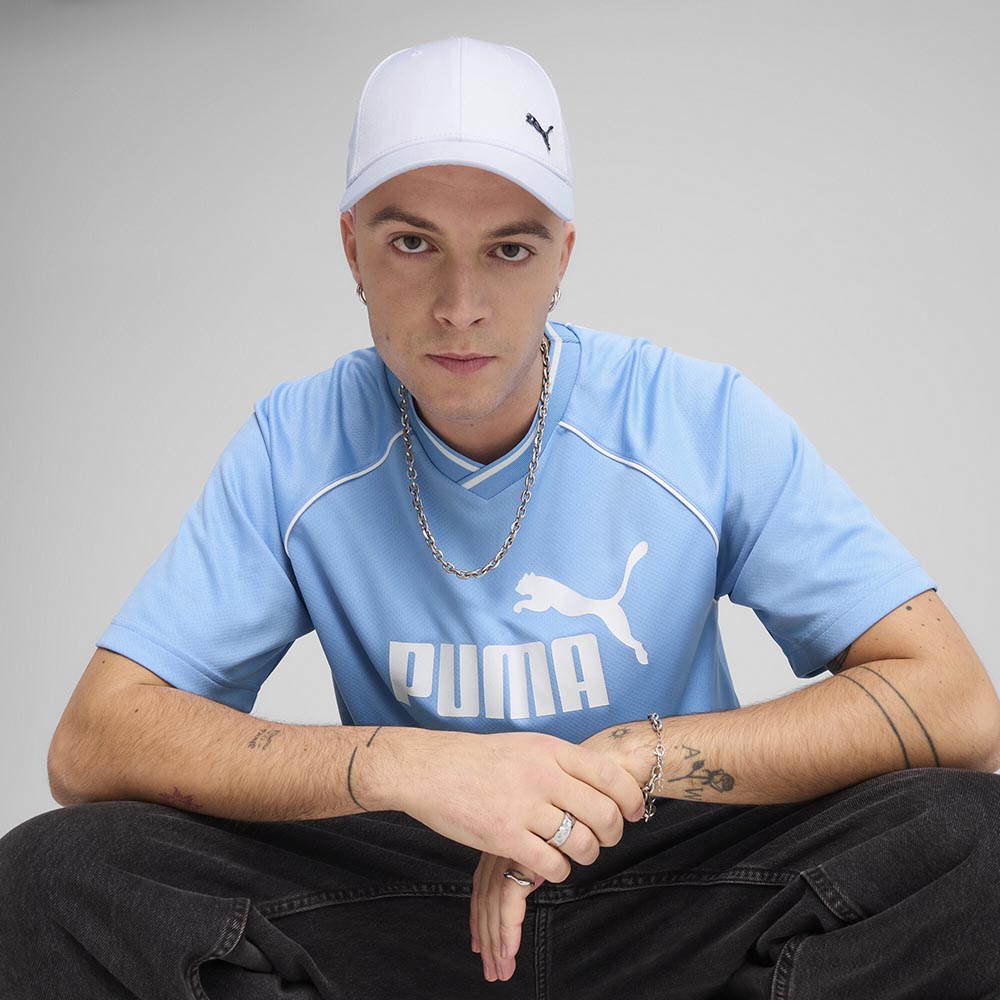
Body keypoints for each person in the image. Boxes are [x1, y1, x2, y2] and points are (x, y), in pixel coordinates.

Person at [2, 35, 999, 1000]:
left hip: (675, 882)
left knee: (974, 839)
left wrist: (628, 759)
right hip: (409, 894)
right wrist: (410, 766)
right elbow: (92, 744)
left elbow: (957, 705)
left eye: (509, 249)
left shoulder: (698, 418)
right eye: (412, 243)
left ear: (562, 258)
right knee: (58, 874)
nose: (460, 305)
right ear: (352, 248)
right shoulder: (296, 443)